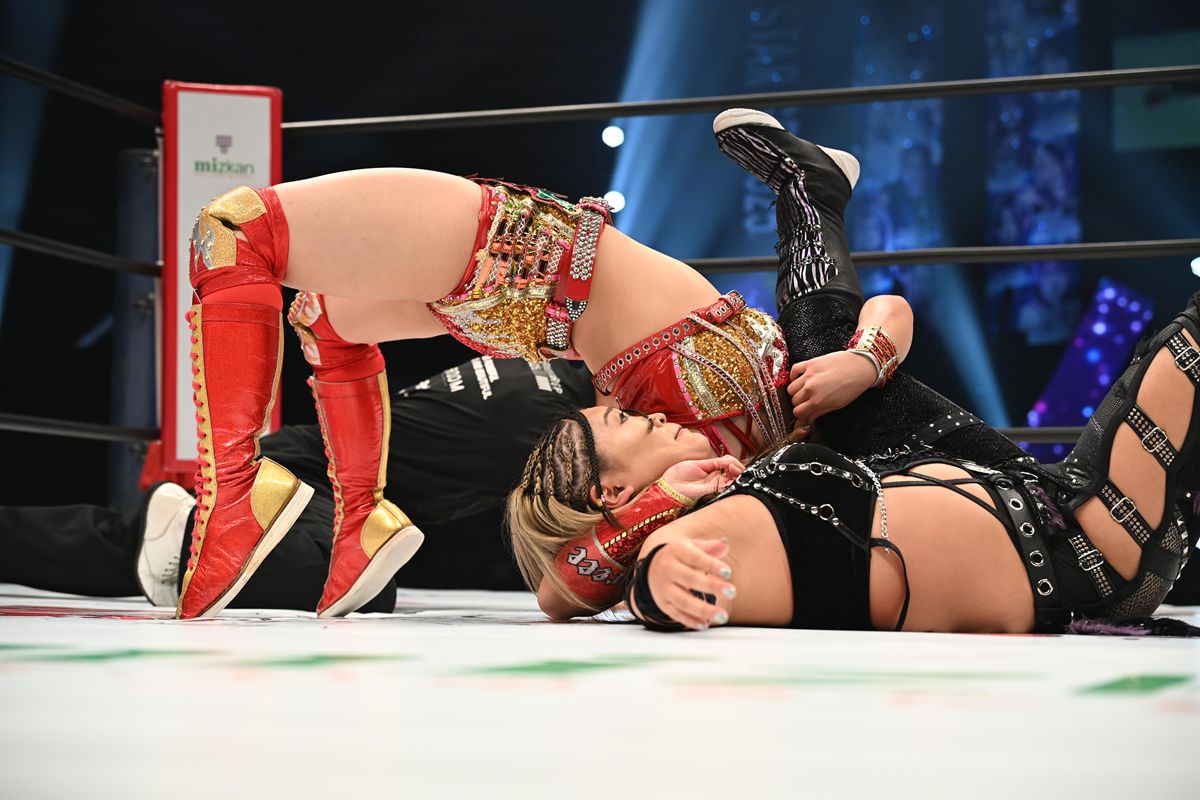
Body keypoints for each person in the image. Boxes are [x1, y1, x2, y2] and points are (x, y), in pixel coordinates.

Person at [178, 105, 917, 619]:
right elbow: (882, 309)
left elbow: (562, 590)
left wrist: (659, 500)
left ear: (615, 493)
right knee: (318, 320)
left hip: (523, 258)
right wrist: (864, 361)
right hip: (528, 295)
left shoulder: (689, 492)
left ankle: (235, 501)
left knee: (235, 231)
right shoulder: (812, 426)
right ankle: (358, 524)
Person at [506, 111, 1198, 628]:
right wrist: (657, 540)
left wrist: (863, 362)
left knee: (818, 372)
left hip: (1041, 500)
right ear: (612, 490)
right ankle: (809, 192)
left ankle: (809, 191)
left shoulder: (741, 477)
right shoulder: (699, 530)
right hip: (1090, 541)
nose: (652, 414)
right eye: (630, 422)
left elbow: (891, 310)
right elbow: (576, 590)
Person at [0, 357, 593, 612]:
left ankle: (190, 538)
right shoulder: (556, 430)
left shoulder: (536, 369)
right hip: (307, 486)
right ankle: (191, 548)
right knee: (366, 591)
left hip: (305, 468)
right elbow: (566, 569)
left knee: (118, 541)